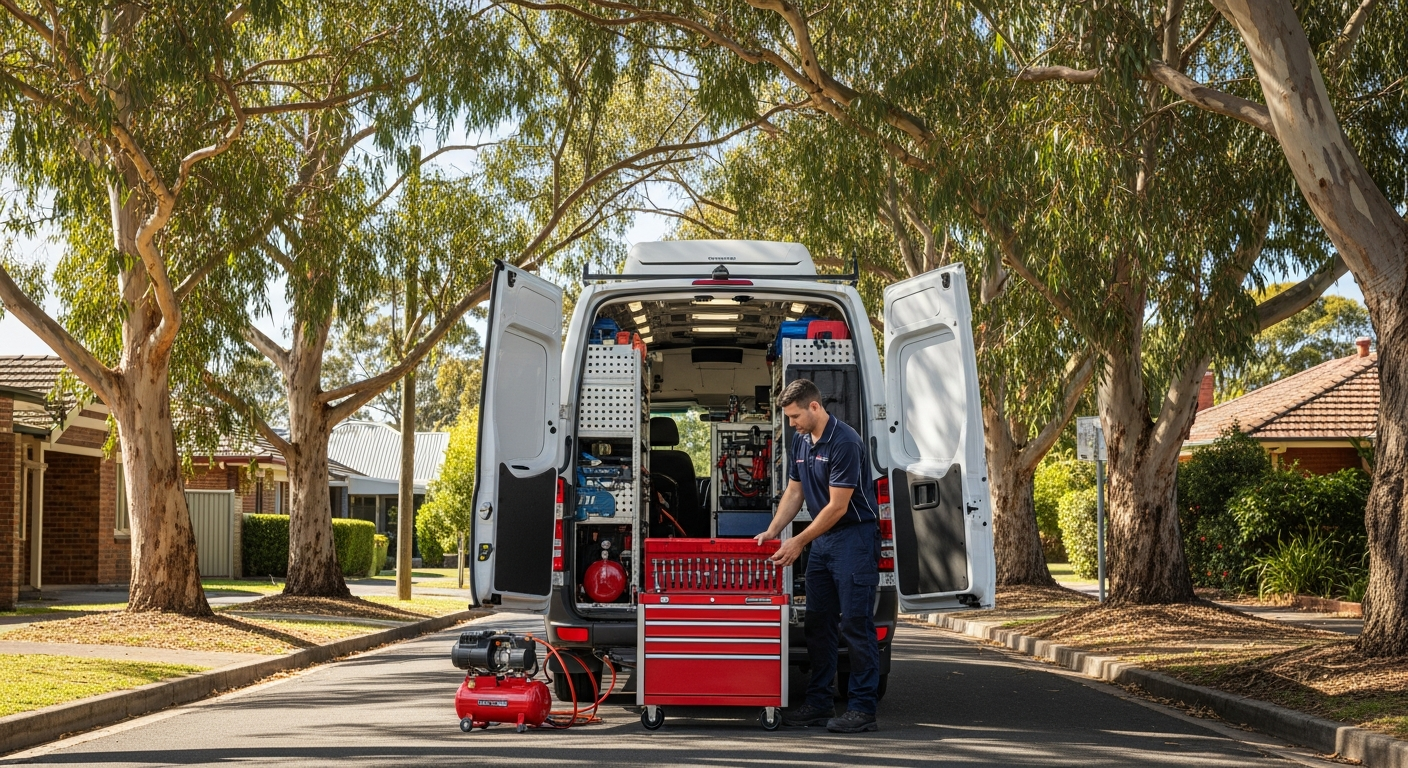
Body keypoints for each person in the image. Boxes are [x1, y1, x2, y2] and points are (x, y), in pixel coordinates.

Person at [755, 378, 881, 733]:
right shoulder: (801, 440)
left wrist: (799, 542)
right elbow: (794, 492)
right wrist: (775, 529)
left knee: (856, 625)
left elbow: (838, 507)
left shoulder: (845, 442)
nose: (791, 423)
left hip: (853, 538)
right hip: (824, 542)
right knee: (818, 624)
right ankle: (819, 702)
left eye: (795, 416)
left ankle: (862, 709)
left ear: (814, 406)